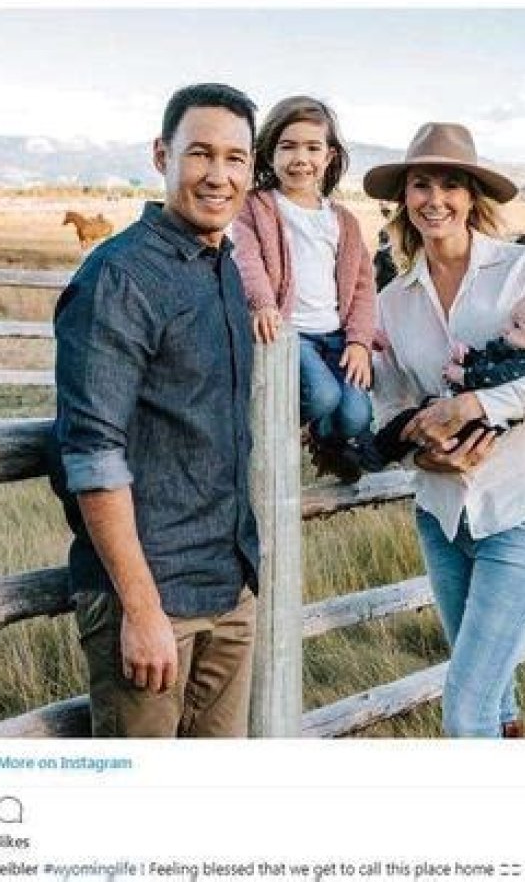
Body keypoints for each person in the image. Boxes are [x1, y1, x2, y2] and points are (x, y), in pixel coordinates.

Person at [363, 122, 525, 738]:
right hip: (442, 517)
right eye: (421, 184)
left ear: (472, 197)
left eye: (451, 185)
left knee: (465, 709)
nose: (435, 199)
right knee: (494, 701)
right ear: (404, 198)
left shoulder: (523, 268)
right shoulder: (394, 299)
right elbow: (391, 406)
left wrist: (478, 403)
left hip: (523, 508)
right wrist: (422, 458)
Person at [51, 83, 260, 738]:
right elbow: (92, 454)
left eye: (235, 158)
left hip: (228, 587)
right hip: (151, 599)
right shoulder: (120, 276)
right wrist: (141, 610)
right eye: (200, 153)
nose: (218, 175)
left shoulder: (224, 267)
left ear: (252, 168)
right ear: (162, 155)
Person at [231, 95, 376, 482]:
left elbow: (364, 287)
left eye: (312, 148)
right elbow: (246, 258)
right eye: (288, 147)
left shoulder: (343, 221)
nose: (300, 158)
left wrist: (360, 342)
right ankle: (261, 432)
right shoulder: (257, 207)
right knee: (323, 395)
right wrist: (262, 303)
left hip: (337, 336)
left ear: (329, 156)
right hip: (290, 334)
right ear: (269, 153)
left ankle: (323, 439)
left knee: (357, 415)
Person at [361, 292, 525, 469]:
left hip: (482, 427)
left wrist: (464, 375)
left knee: (412, 421)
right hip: (447, 473)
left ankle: (375, 453)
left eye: (516, 326)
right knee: (414, 421)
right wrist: (468, 356)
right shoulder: (516, 349)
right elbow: (488, 362)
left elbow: (495, 377)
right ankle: (379, 450)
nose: (506, 327)